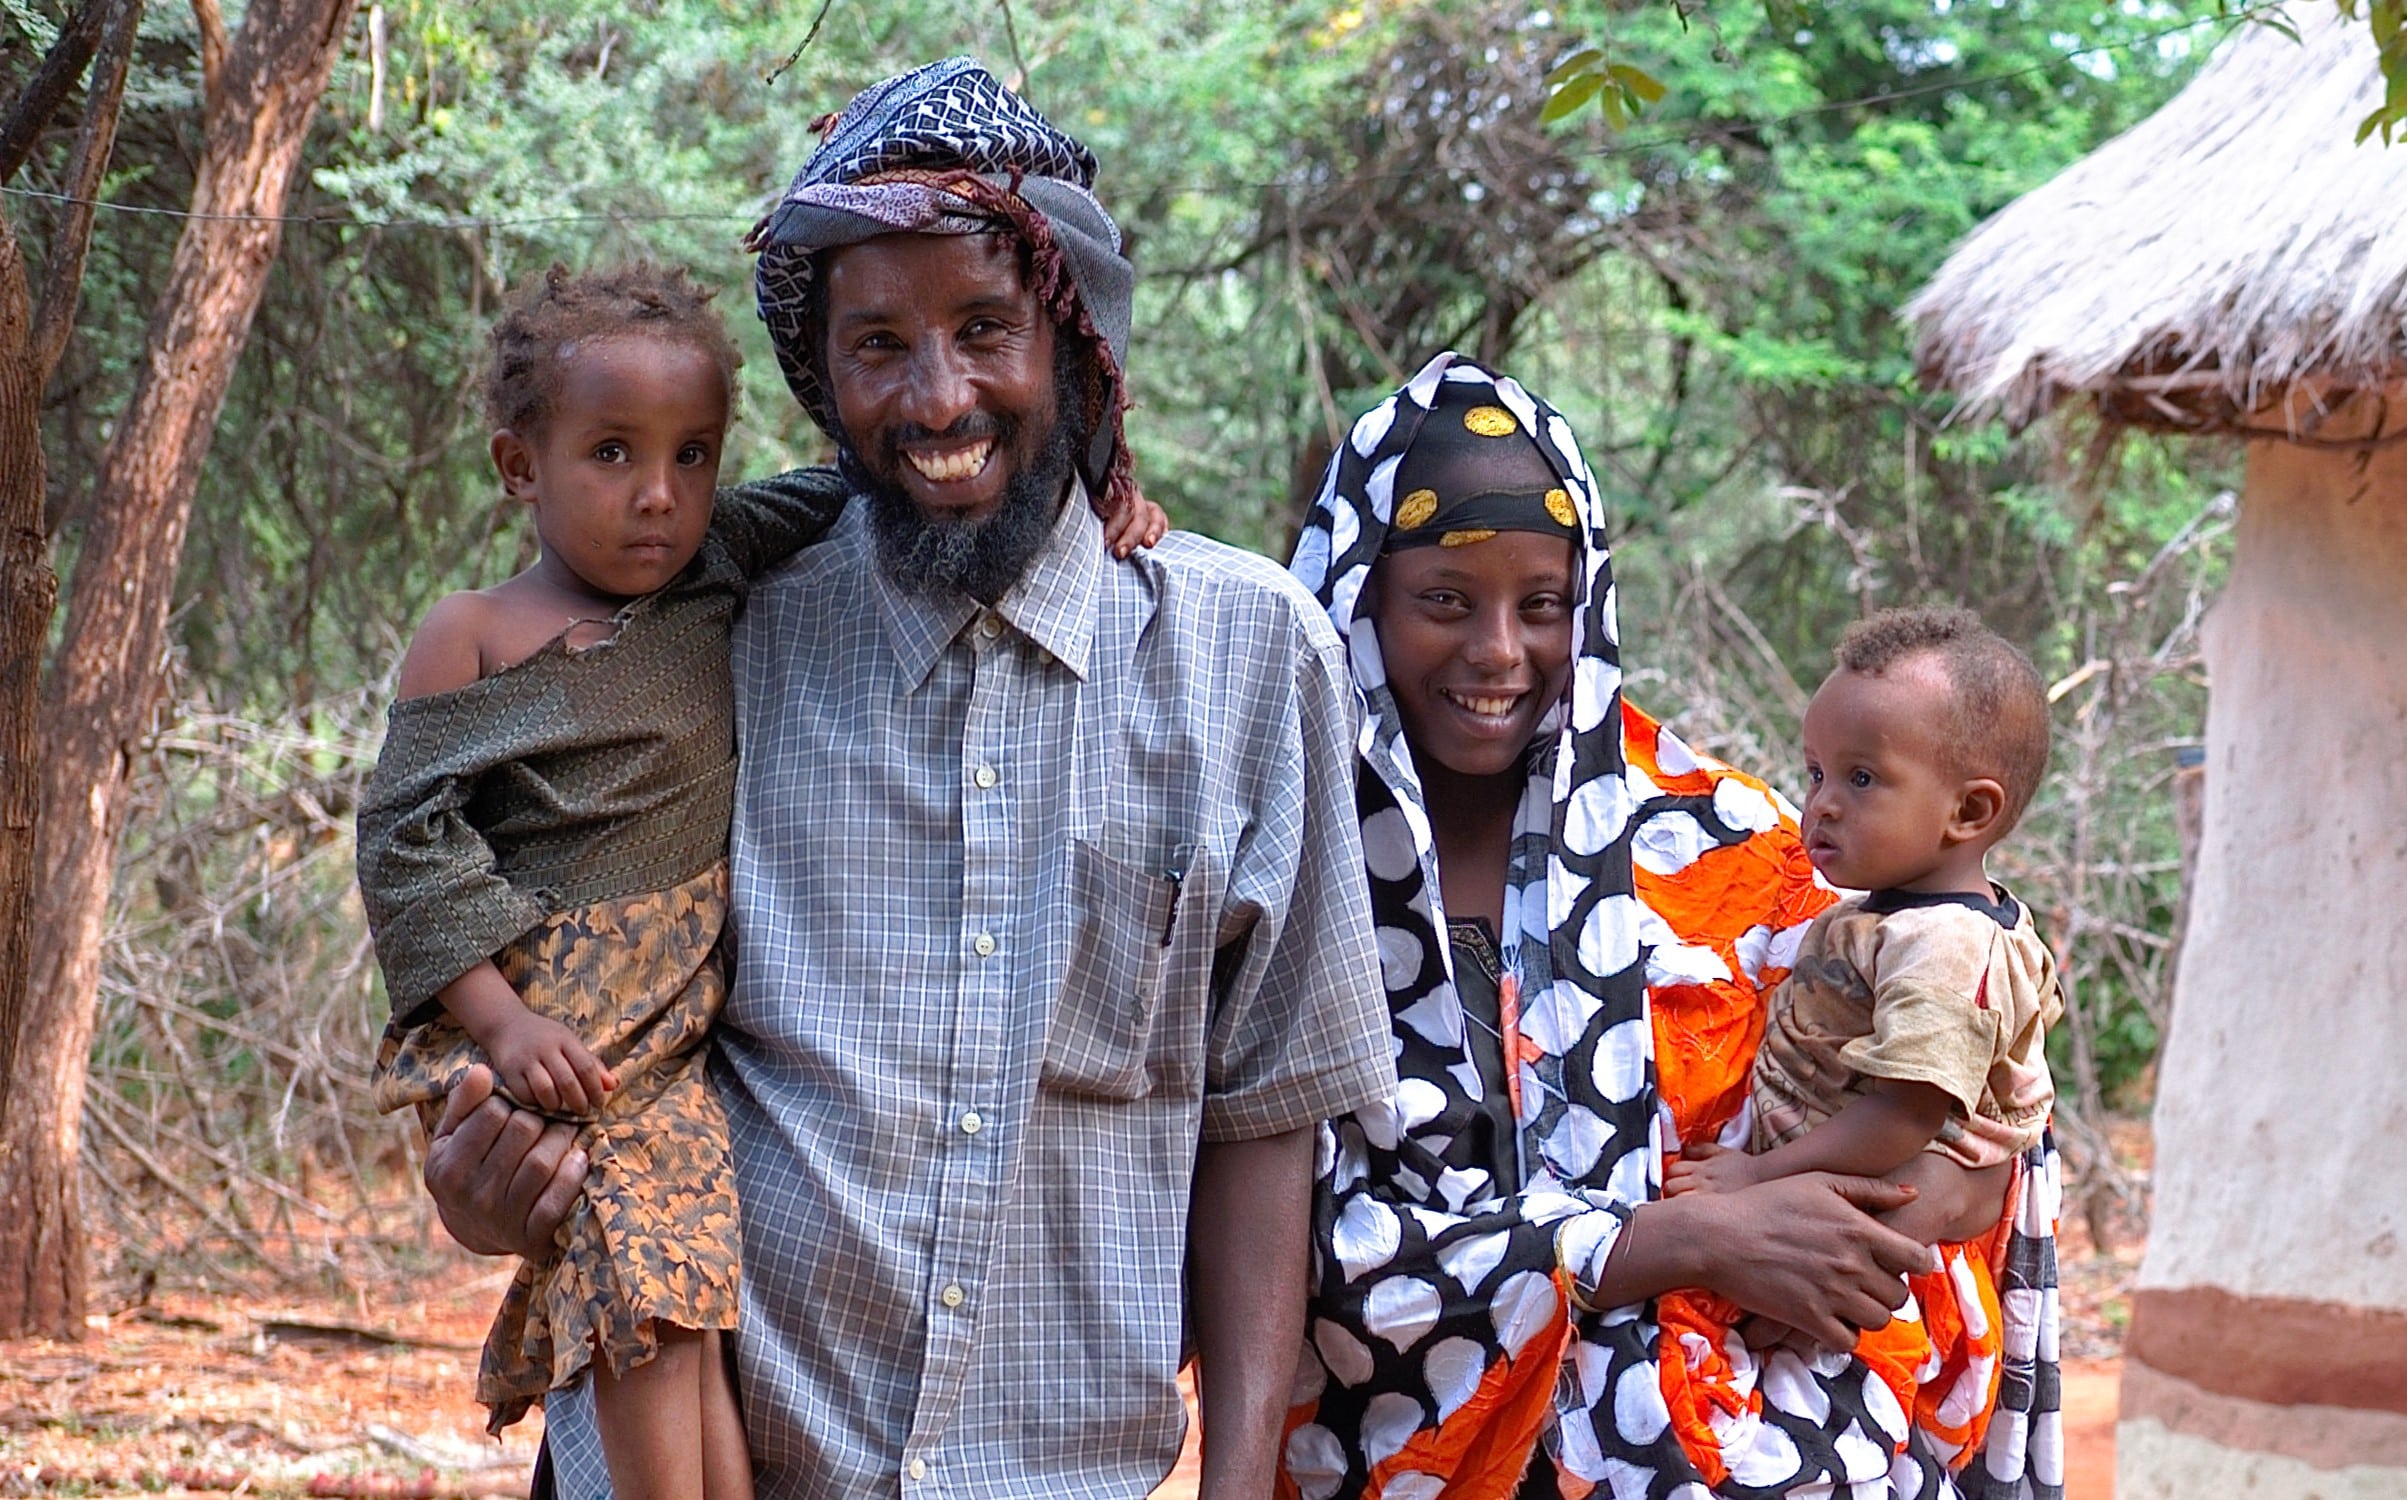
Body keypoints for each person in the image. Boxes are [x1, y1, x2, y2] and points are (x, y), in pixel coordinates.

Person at [414, 58, 1396, 1500]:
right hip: (706, 1458)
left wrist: (1240, 1477)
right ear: (822, 376)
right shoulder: (706, 631)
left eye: (985, 329)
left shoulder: (1249, 657)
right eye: (876, 346)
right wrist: (480, 1188)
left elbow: (1264, 1113)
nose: (937, 400)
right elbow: (562, 1003)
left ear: (1070, 340)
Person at [358, 263, 1164, 1500]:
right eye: (613, 455)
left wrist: (1092, 476)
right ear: (521, 466)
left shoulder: (718, 565)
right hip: (546, 1034)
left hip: (661, 1040)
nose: (659, 497)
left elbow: (906, 469)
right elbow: (406, 842)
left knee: (684, 1306)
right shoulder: (469, 634)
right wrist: (501, 1021)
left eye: (693, 456)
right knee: (636, 1301)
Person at [1279, 353, 2065, 1499]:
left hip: (1749, 1446)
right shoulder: (1285, 871)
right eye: (1444, 599)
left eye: (1542, 605)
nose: (1500, 651)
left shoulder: (1737, 858)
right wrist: (1669, 1244)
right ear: (1357, 600)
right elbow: (1278, 1248)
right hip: (1390, 1455)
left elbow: (1962, 1122)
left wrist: (1876, 1207)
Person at [1662, 605, 2062, 1474]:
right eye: (1813, 774)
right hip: (1877, 1173)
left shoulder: (1943, 947)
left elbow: (1908, 1114)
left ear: (1968, 811)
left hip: (1897, 1183)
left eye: (1862, 780)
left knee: (1747, 1317)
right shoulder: (1899, 915)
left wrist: (1756, 1178)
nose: (1819, 807)